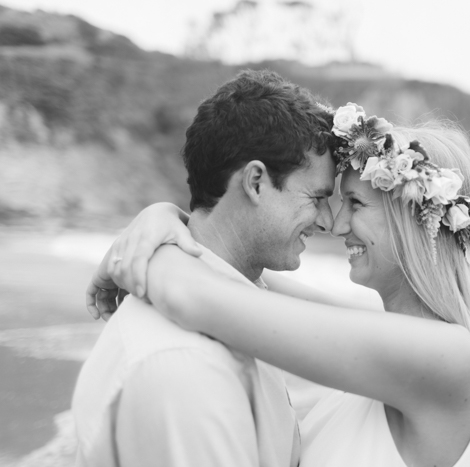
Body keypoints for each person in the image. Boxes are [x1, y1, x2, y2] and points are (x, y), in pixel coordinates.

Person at [89, 105, 470, 466]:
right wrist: (161, 219)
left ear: (412, 221)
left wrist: (144, 252)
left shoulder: (447, 359)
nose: (336, 225)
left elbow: (191, 294)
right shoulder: (390, 340)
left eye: (354, 204)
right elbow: (236, 271)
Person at [72, 69, 338, 467]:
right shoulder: (188, 368)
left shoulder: (240, 307)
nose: (326, 221)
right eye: (316, 197)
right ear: (256, 183)